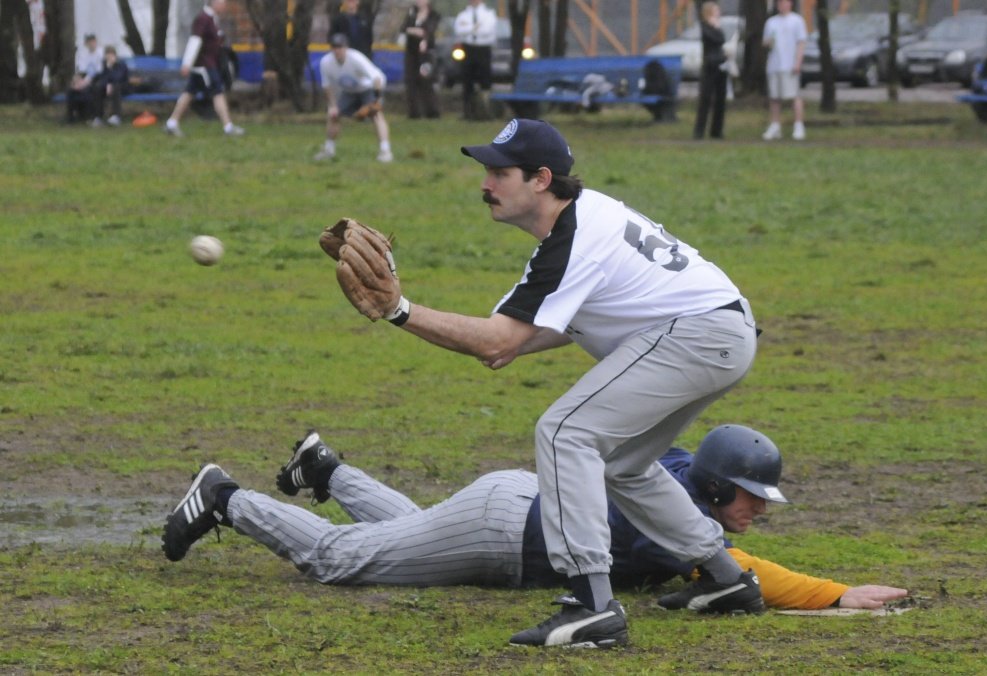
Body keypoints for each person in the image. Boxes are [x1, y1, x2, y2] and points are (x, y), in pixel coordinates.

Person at [325, 117, 768, 648]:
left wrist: (399, 310)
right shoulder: (579, 224)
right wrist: (462, 331)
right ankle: (725, 579)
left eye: (499, 172)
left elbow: (495, 341)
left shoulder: (575, 239)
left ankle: (591, 604)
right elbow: (506, 342)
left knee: (564, 432)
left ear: (540, 178)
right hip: (717, 331)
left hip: (697, 334)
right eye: (486, 170)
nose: (485, 184)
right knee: (622, 464)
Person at [160, 425, 908, 621]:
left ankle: (326, 471)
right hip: (499, 535)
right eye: (747, 498)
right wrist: (835, 594)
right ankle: (225, 497)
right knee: (341, 561)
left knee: (411, 532)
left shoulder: (675, 471)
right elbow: (739, 572)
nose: (754, 512)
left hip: (514, 504)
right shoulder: (678, 514)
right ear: (713, 489)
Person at [164, 0, 244, 138]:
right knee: (218, 92)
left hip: (206, 65)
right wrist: (187, 63)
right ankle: (228, 126)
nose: (225, 5)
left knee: (189, 93)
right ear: (214, 3)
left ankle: (172, 123)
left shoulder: (213, 19)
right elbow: (195, 41)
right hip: (205, 66)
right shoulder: (203, 19)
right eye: (222, 2)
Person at [314, 32, 393, 163]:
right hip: (349, 91)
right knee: (333, 115)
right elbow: (326, 86)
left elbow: (377, 78)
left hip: (368, 88)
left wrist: (377, 100)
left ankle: (385, 151)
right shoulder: (326, 62)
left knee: (376, 115)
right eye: (334, 47)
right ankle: (329, 150)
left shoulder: (356, 58)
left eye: (340, 47)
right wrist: (333, 106)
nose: (337, 50)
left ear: (346, 48)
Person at [762, 0, 807, 141]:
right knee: (775, 97)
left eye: (785, 3)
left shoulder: (797, 20)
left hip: (790, 64)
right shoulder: (771, 22)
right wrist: (769, 42)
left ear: (790, 4)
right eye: (780, 3)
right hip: (774, 65)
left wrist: (797, 62)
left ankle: (799, 125)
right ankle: (775, 125)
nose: (783, 5)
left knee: (794, 96)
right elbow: (765, 42)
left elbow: (801, 42)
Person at [453, 0, 497, 120]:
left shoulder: (489, 14)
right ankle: (468, 112)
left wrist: (468, 28)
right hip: (468, 49)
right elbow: (459, 30)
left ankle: (486, 111)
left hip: (483, 49)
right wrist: (475, 27)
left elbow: (487, 30)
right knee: (467, 81)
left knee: (485, 81)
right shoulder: (463, 15)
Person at [399, 0, 441, 119]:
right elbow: (404, 28)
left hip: (425, 52)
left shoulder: (433, 15)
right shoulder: (411, 12)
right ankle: (414, 112)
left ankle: (432, 111)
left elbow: (429, 30)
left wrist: (424, 38)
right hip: (411, 51)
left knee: (426, 80)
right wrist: (413, 30)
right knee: (410, 80)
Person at [693, 2, 729, 140]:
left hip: (720, 64)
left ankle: (717, 130)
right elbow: (717, 39)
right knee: (705, 99)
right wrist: (715, 27)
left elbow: (722, 40)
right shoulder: (705, 27)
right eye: (716, 10)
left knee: (721, 98)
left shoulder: (718, 26)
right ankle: (699, 131)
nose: (718, 12)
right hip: (709, 66)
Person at [65, 34, 102, 124]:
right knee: (71, 91)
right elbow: (81, 71)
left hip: (95, 80)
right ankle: (71, 117)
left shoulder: (100, 54)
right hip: (84, 80)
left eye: (93, 42)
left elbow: (98, 72)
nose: (91, 44)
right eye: (89, 42)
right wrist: (76, 81)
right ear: (86, 44)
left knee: (89, 91)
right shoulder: (84, 54)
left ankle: (89, 116)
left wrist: (85, 82)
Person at [90, 46, 130, 127]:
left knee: (115, 87)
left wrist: (110, 68)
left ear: (115, 55)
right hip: (108, 87)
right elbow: (102, 78)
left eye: (111, 55)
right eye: (107, 55)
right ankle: (98, 117)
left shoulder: (121, 64)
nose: (109, 57)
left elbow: (118, 78)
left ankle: (116, 116)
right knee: (98, 88)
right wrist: (107, 84)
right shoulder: (104, 64)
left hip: (122, 87)